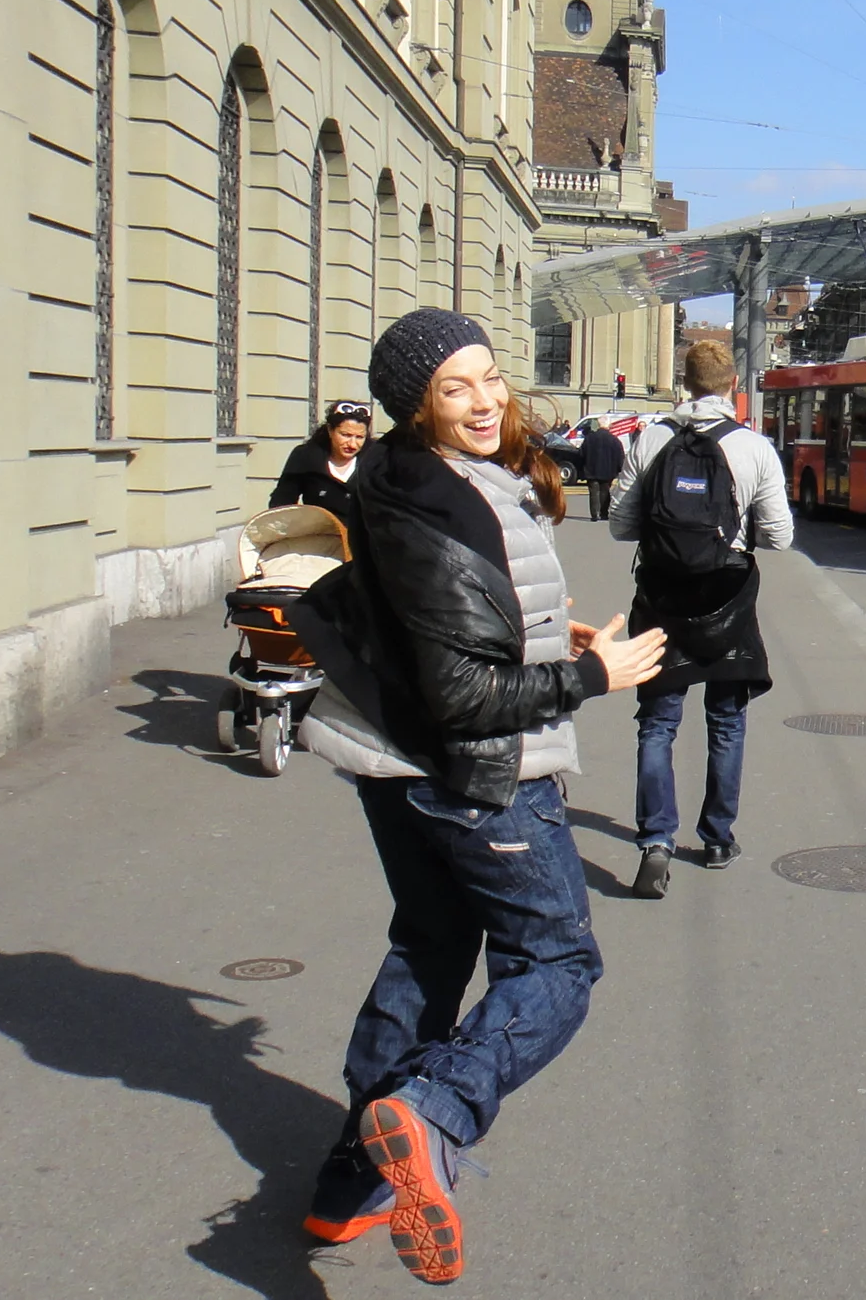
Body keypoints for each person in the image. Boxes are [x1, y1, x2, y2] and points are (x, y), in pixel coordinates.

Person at [288, 308, 668, 1286]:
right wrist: (597, 676)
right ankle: (431, 1109)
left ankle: (347, 1185)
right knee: (557, 960)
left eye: (488, 376)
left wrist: (554, 634)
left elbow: (444, 617)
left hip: (389, 762)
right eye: (454, 388)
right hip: (480, 773)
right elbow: (465, 696)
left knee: (430, 941)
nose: (485, 399)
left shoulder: (406, 477)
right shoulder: (444, 500)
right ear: (416, 408)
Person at [610, 338, 793, 899]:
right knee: (727, 722)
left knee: (658, 724)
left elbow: (621, 524)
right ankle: (717, 839)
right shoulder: (754, 447)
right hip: (727, 601)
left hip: (663, 602)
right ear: (732, 386)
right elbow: (781, 538)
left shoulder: (651, 438)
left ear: (684, 384)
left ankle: (655, 842)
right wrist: (737, 536)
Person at [269, 400, 375, 526]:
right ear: (330, 430)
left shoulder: (376, 459)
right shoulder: (306, 456)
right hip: (318, 538)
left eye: (359, 437)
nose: (352, 444)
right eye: (345, 435)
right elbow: (282, 504)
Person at [579, 420, 625, 522]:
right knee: (605, 491)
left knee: (593, 492)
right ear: (608, 425)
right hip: (608, 470)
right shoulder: (614, 440)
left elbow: (581, 454)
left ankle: (594, 514)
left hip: (591, 470)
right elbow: (620, 456)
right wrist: (619, 469)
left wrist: (583, 467)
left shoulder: (589, 438)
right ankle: (604, 513)